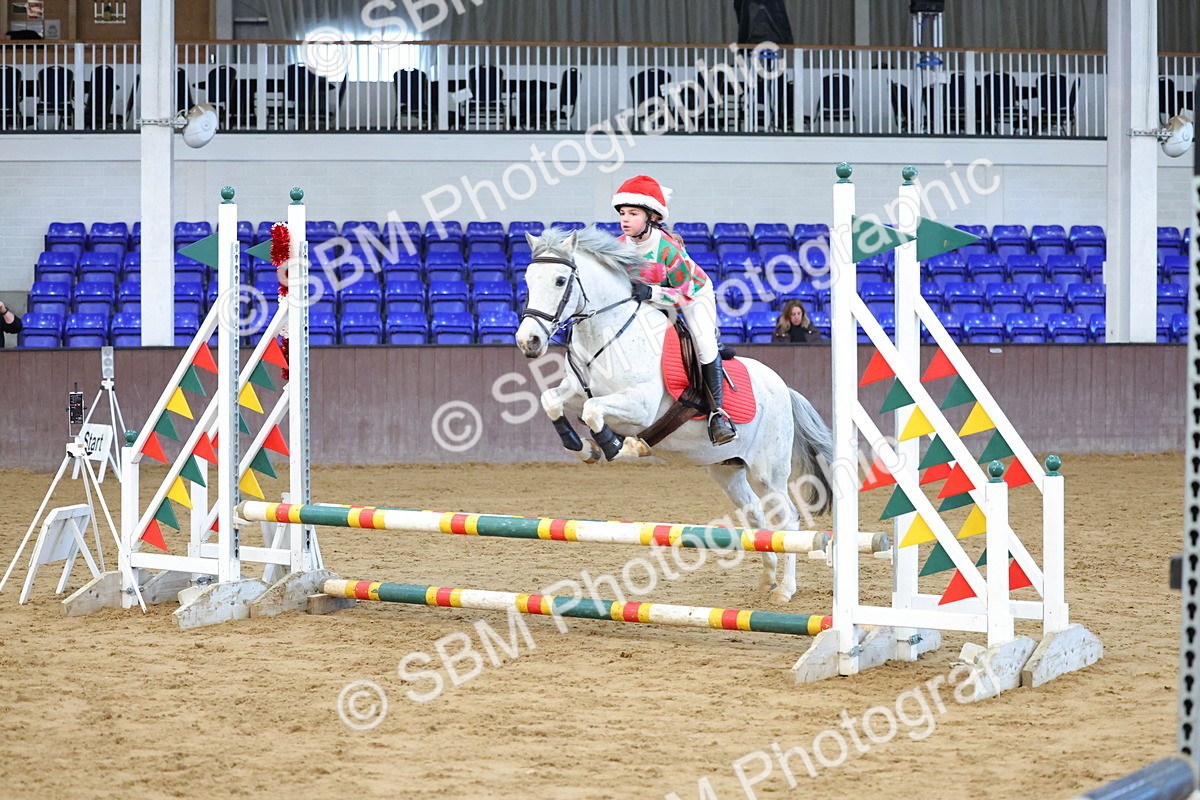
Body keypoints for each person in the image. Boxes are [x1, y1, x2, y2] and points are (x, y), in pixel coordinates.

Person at [612, 174, 737, 445]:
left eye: (633, 213)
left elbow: (683, 295)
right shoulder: (619, 246)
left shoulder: (668, 249)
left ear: (651, 217)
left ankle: (718, 414)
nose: (625, 219)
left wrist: (652, 292)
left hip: (693, 295)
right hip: (651, 298)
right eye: (623, 213)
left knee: (703, 342)